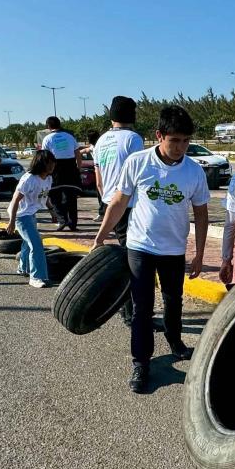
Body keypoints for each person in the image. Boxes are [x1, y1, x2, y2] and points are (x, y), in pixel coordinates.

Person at [93, 105, 210, 394]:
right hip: (140, 246)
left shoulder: (194, 171)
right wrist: (100, 236)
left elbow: (202, 213)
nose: (181, 147)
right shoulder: (138, 162)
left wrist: (199, 254)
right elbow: (119, 202)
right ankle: (141, 362)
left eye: (185, 141)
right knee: (142, 309)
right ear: (159, 136)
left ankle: (176, 342)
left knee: (174, 301)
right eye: (175, 141)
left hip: (173, 249)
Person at [92, 96, 145, 324]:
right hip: (128, 205)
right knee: (132, 259)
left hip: (108, 203)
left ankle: (129, 310)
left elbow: (98, 179)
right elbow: (138, 174)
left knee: (127, 255)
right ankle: (130, 312)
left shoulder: (102, 140)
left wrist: (107, 201)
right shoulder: (133, 139)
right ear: (132, 116)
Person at [5, 150, 56, 287]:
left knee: (28, 243)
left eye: (53, 163)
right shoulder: (29, 179)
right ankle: (35, 277)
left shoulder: (48, 179)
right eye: (48, 163)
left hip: (31, 213)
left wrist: (52, 211)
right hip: (20, 216)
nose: (52, 166)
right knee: (36, 244)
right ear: (40, 163)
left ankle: (23, 268)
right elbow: (15, 200)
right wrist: (11, 222)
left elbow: (45, 196)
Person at [41, 117, 80, 231]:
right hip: (70, 166)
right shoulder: (70, 136)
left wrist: (46, 171)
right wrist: (79, 167)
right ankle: (73, 223)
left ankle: (62, 220)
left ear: (48, 127)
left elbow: (45, 156)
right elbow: (77, 153)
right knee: (71, 196)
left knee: (54, 195)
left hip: (55, 167)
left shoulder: (47, 138)